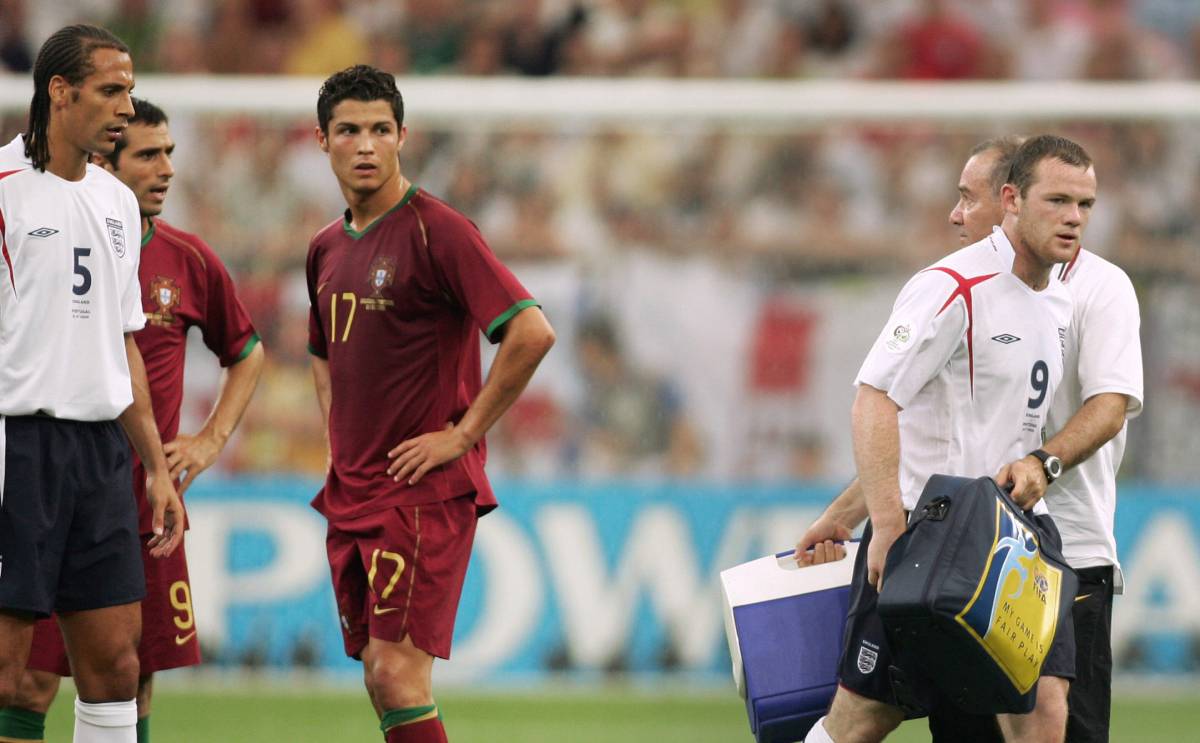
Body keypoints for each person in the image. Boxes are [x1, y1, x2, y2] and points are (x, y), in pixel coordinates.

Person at [798, 134, 1142, 743]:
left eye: (1084, 205)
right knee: (861, 720)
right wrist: (881, 523)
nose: (1074, 218)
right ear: (1013, 200)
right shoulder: (950, 285)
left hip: (1012, 536)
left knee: (1046, 715)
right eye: (1058, 201)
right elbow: (875, 399)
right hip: (929, 532)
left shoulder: (1058, 297)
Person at [0, 98, 265, 743]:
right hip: (48, 471)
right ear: (104, 161)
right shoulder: (41, 226)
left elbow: (247, 354)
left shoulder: (188, 258)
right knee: (28, 680)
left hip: (142, 501)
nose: (167, 169)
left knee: (131, 671)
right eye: (149, 154)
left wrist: (205, 443)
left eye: (170, 153)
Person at [306, 65, 554, 743]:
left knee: (395, 672)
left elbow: (531, 332)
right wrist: (339, 436)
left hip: (421, 487)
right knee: (380, 676)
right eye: (349, 130)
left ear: (402, 137)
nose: (365, 145)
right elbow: (323, 349)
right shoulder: (325, 247)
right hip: (353, 486)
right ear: (321, 141)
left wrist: (463, 433)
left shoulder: (436, 230)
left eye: (380, 130)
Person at [0, 24, 184, 743]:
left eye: (129, 92)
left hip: (101, 453)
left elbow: (123, 340)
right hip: (19, 444)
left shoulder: (114, 202)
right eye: (111, 91)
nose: (124, 107)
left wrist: (157, 466)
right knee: (10, 672)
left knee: (114, 662)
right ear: (60, 91)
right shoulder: (6, 189)